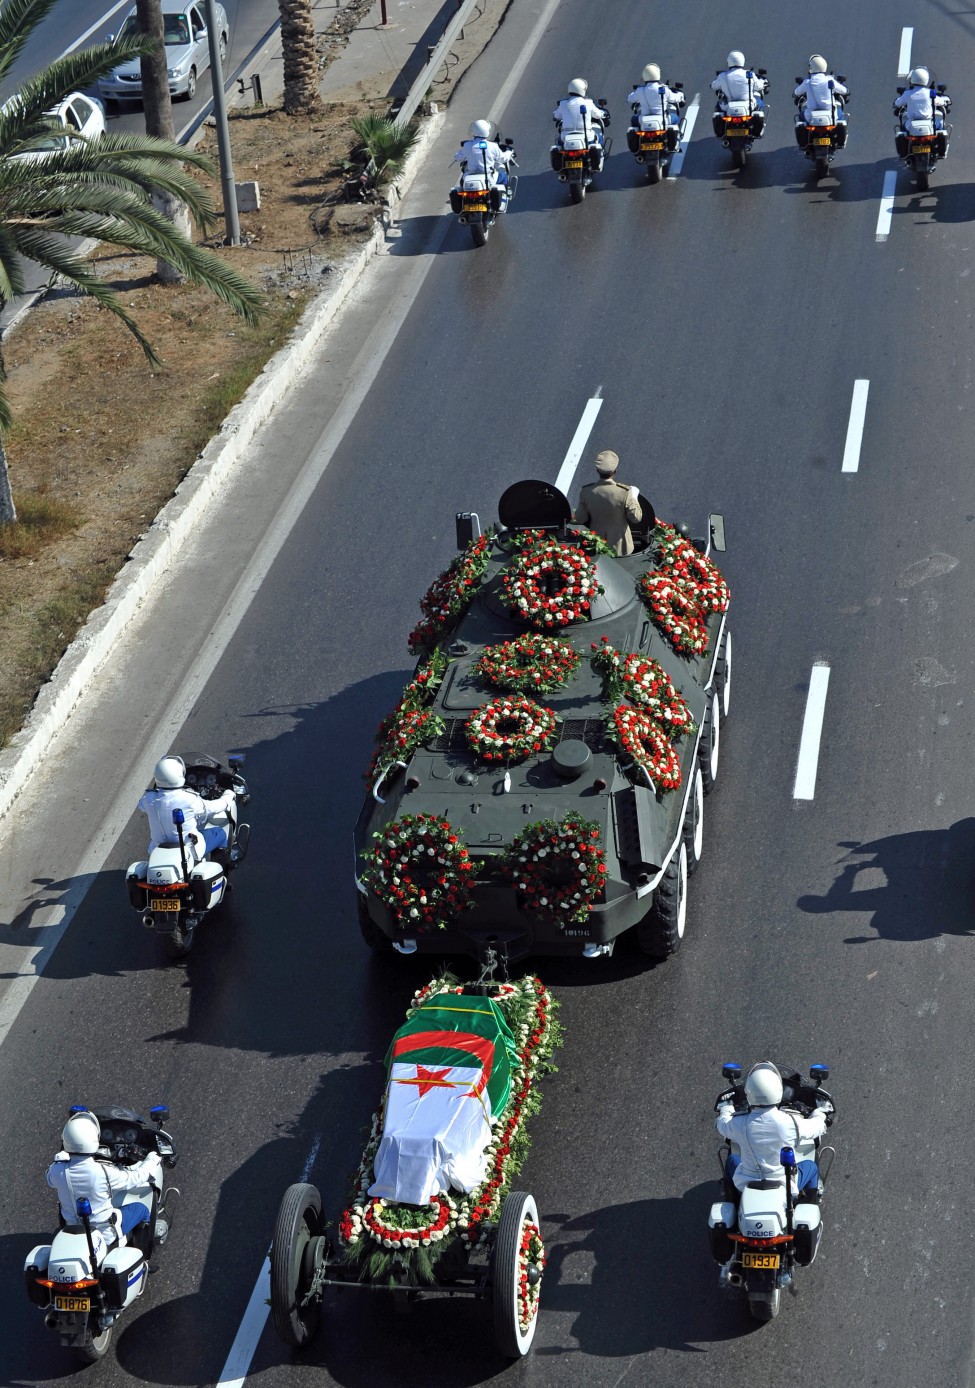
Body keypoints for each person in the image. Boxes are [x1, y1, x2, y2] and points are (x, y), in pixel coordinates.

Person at [46, 1109, 162, 1242]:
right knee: (141, 1209)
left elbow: (49, 1178)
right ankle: (144, 1244)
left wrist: (59, 1158)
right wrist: (151, 1160)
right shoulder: (103, 1172)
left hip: (71, 1229)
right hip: (105, 1233)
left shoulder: (57, 1170)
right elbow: (134, 1179)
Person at [716, 1062, 828, 1200]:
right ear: (778, 1090)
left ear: (749, 1092)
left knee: (732, 1159)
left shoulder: (740, 1123)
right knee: (811, 1166)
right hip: (785, 1185)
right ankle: (812, 1201)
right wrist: (820, 1112)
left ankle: (732, 1200)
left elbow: (722, 1125)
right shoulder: (790, 1123)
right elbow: (818, 1127)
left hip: (746, 1184)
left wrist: (726, 1107)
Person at [138, 755, 234, 859]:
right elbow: (211, 808)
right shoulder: (188, 798)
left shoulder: (149, 798)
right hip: (188, 850)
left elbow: (141, 806)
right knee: (219, 833)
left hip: (157, 849)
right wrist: (227, 797)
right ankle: (223, 867)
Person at [574, 450, 643, 557]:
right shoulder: (624, 492)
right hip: (621, 546)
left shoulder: (586, 491)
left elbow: (580, 519)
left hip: (597, 544)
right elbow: (636, 518)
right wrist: (634, 496)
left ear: (597, 470)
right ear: (615, 471)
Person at [454, 120, 513, 188]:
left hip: (470, 176)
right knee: (504, 176)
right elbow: (503, 158)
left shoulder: (467, 145)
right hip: (489, 177)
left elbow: (458, 158)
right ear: (487, 131)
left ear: (473, 131)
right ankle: (505, 195)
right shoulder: (493, 146)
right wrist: (509, 152)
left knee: (462, 182)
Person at [553, 78, 609, 148]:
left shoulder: (563, 103)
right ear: (582, 90)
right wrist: (602, 113)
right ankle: (600, 154)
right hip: (587, 136)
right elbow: (597, 115)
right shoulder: (588, 102)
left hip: (566, 137)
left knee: (559, 145)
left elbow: (556, 116)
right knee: (599, 136)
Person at [628, 63, 685, 129]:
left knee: (634, 119)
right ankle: (677, 137)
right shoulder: (664, 89)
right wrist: (681, 95)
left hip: (643, 119)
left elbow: (629, 99)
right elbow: (675, 98)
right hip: (662, 119)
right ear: (658, 74)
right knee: (675, 118)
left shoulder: (640, 90)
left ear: (644, 75)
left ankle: (638, 138)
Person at [794, 54, 847, 123]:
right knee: (841, 115)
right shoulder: (830, 80)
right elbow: (844, 91)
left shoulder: (807, 83)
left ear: (811, 67)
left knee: (801, 116)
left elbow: (796, 92)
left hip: (810, 116)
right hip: (831, 115)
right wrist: (847, 91)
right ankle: (844, 134)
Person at [894, 66, 951, 132]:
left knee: (902, 129)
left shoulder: (907, 93)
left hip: (911, 125)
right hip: (929, 125)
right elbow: (940, 101)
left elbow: (898, 103)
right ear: (926, 79)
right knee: (941, 125)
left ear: (912, 79)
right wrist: (946, 100)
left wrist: (896, 102)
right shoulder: (930, 92)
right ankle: (945, 142)